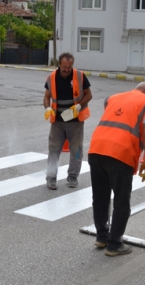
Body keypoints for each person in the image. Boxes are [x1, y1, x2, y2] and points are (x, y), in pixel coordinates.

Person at [88, 82, 145, 257]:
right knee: (121, 200)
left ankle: (102, 237)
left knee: (100, 197)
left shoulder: (114, 98)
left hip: (96, 149)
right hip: (120, 153)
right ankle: (114, 244)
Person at [43, 52, 92, 190]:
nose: (67, 69)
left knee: (76, 150)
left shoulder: (79, 76)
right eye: (64, 66)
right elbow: (47, 97)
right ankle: (51, 178)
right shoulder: (52, 78)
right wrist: (47, 108)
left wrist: (79, 105)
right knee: (54, 150)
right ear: (59, 64)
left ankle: (72, 177)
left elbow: (89, 94)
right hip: (57, 122)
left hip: (75, 121)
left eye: (69, 67)